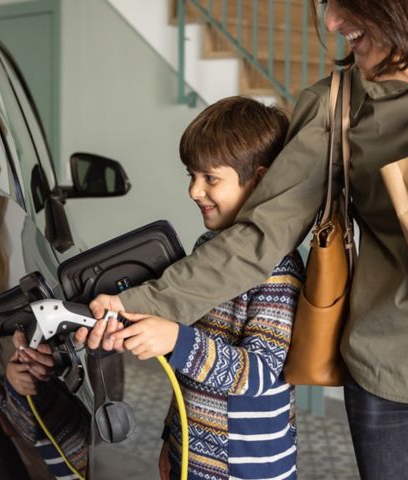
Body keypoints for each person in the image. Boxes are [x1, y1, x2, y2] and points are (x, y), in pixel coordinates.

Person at [77, 1, 408, 479]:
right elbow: (260, 235)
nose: (333, 22)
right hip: (392, 370)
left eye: (345, 3)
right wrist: (138, 304)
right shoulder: (332, 104)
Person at [80, 96, 304, 480]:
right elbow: (189, 373)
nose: (194, 191)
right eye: (192, 176)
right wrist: (172, 438)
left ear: (260, 180)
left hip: (247, 470)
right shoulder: (206, 251)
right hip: (194, 458)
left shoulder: (278, 268)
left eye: (210, 178)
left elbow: (262, 372)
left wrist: (176, 341)